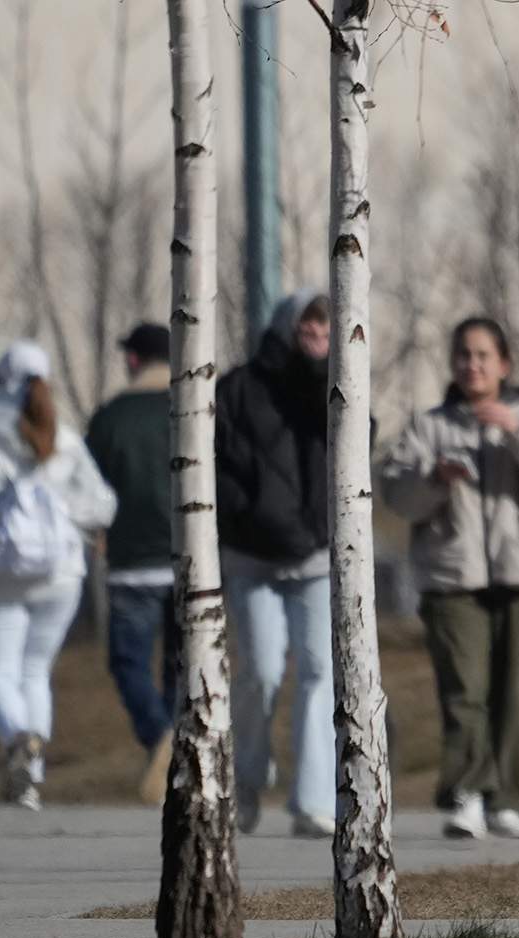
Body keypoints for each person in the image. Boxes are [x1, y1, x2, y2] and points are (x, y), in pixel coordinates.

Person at [379, 317, 519, 840]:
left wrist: (515, 432)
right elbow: (398, 496)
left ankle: (505, 800)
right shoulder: (430, 427)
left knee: (511, 693)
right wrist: (435, 479)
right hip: (451, 582)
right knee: (464, 691)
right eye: (463, 354)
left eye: (483, 355)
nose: (472, 364)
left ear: (504, 364)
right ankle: (464, 796)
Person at [0, 342, 118, 811]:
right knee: (35, 670)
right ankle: (29, 776)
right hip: (60, 574)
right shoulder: (65, 438)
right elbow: (103, 504)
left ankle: (19, 744)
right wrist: (64, 524)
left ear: (0, 381)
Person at [214, 289, 337, 838]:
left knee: (319, 673)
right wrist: (250, 514)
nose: (316, 335)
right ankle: (246, 776)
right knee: (262, 671)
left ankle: (311, 799)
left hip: (315, 556)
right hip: (252, 557)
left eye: (326, 328)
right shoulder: (239, 388)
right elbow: (214, 465)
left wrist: (322, 377)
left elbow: (364, 441)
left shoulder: (338, 387)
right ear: (287, 327)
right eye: (308, 326)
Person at [85, 322, 177, 803]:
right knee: (181, 664)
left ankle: (158, 734)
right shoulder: (193, 408)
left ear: (135, 360)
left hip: (130, 561)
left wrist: (93, 534)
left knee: (128, 662)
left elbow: (87, 488)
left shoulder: (110, 418)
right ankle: (176, 749)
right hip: (189, 560)